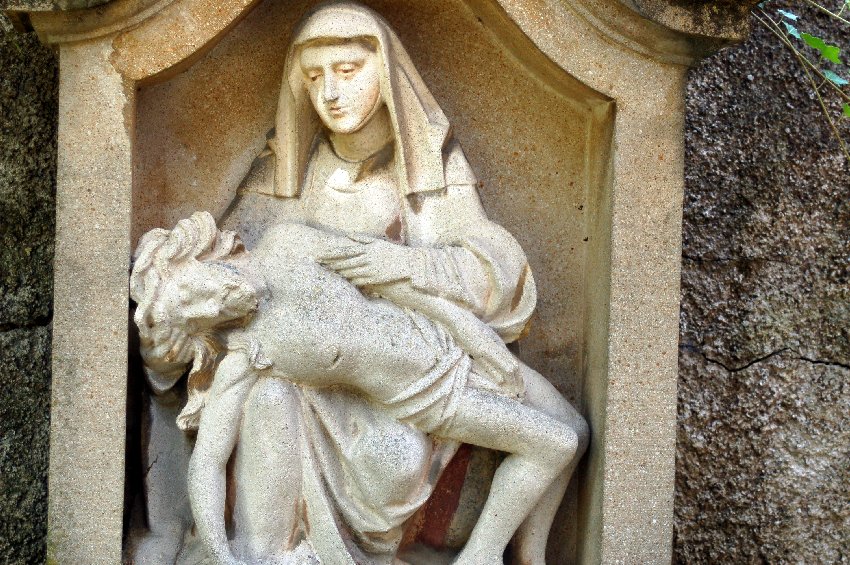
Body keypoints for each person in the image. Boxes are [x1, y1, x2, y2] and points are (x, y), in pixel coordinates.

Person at [135, 3, 589, 563]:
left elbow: (494, 271)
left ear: (385, 73)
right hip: (328, 384)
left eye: (347, 71)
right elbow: (230, 283)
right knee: (323, 424)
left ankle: (521, 556)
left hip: (425, 353)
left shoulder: (430, 166)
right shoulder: (282, 176)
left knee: (568, 429)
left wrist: (402, 264)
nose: (330, 92)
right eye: (314, 77)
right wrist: (168, 343)